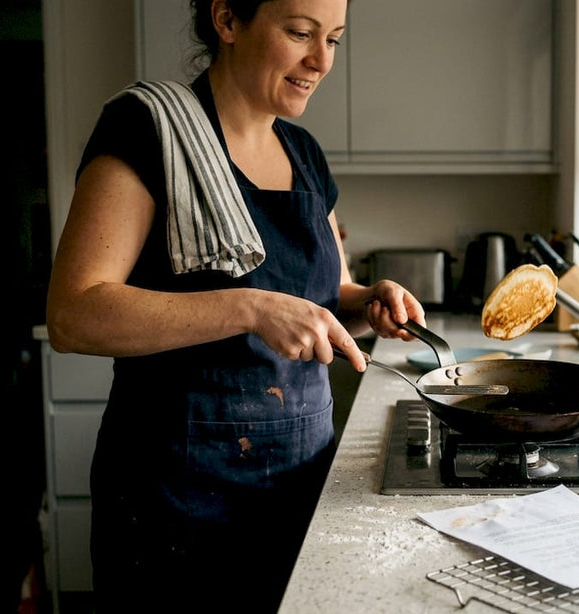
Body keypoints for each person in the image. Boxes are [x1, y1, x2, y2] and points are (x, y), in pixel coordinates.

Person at [45, 0, 425, 610]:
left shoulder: (304, 154)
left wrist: (370, 301)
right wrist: (249, 308)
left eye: (334, 39)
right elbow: (74, 314)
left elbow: (328, 299)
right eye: (300, 33)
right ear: (227, 21)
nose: (320, 60)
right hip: (179, 504)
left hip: (299, 483)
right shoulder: (147, 130)